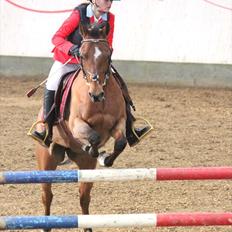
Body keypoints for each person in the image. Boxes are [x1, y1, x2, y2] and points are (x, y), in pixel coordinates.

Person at [30, 0, 151, 148]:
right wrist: (71, 48)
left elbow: (109, 42)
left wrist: (102, 57)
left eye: (111, 0)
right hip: (69, 60)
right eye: (106, 0)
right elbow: (57, 38)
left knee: (118, 82)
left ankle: (130, 128)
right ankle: (46, 128)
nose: (109, 3)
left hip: (94, 63)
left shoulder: (110, 18)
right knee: (53, 83)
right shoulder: (78, 15)